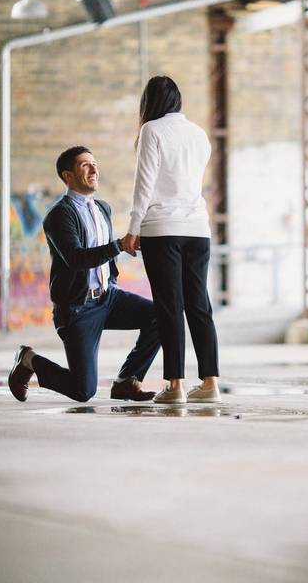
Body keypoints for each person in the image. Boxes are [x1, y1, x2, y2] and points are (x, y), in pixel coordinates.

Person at [8, 146, 160, 403]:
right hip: (79, 307)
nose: (94, 169)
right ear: (68, 176)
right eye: (85, 165)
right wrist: (120, 245)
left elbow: (104, 256)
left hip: (108, 298)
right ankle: (28, 360)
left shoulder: (103, 209)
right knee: (83, 391)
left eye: (95, 163)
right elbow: (76, 259)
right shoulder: (59, 215)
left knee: (161, 316)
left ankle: (126, 381)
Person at [122, 75, 222, 404]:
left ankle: (175, 386)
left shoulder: (152, 131)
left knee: (169, 307)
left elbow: (145, 183)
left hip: (162, 229)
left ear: (149, 103)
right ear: (178, 100)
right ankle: (210, 384)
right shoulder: (199, 135)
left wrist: (133, 228)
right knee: (199, 306)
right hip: (197, 229)